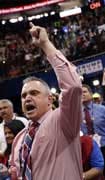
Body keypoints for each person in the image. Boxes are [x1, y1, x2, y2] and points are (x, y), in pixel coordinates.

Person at [9, 23, 83, 180]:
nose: (27, 98)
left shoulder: (64, 120)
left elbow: (73, 86)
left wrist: (46, 45)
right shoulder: (19, 138)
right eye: (24, 96)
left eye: (34, 93)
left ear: (50, 99)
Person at [81, 84, 105, 178]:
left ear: (91, 94)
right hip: (87, 151)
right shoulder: (74, 114)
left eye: (84, 92)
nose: (82, 94)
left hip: (104, 148)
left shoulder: (102, 109)